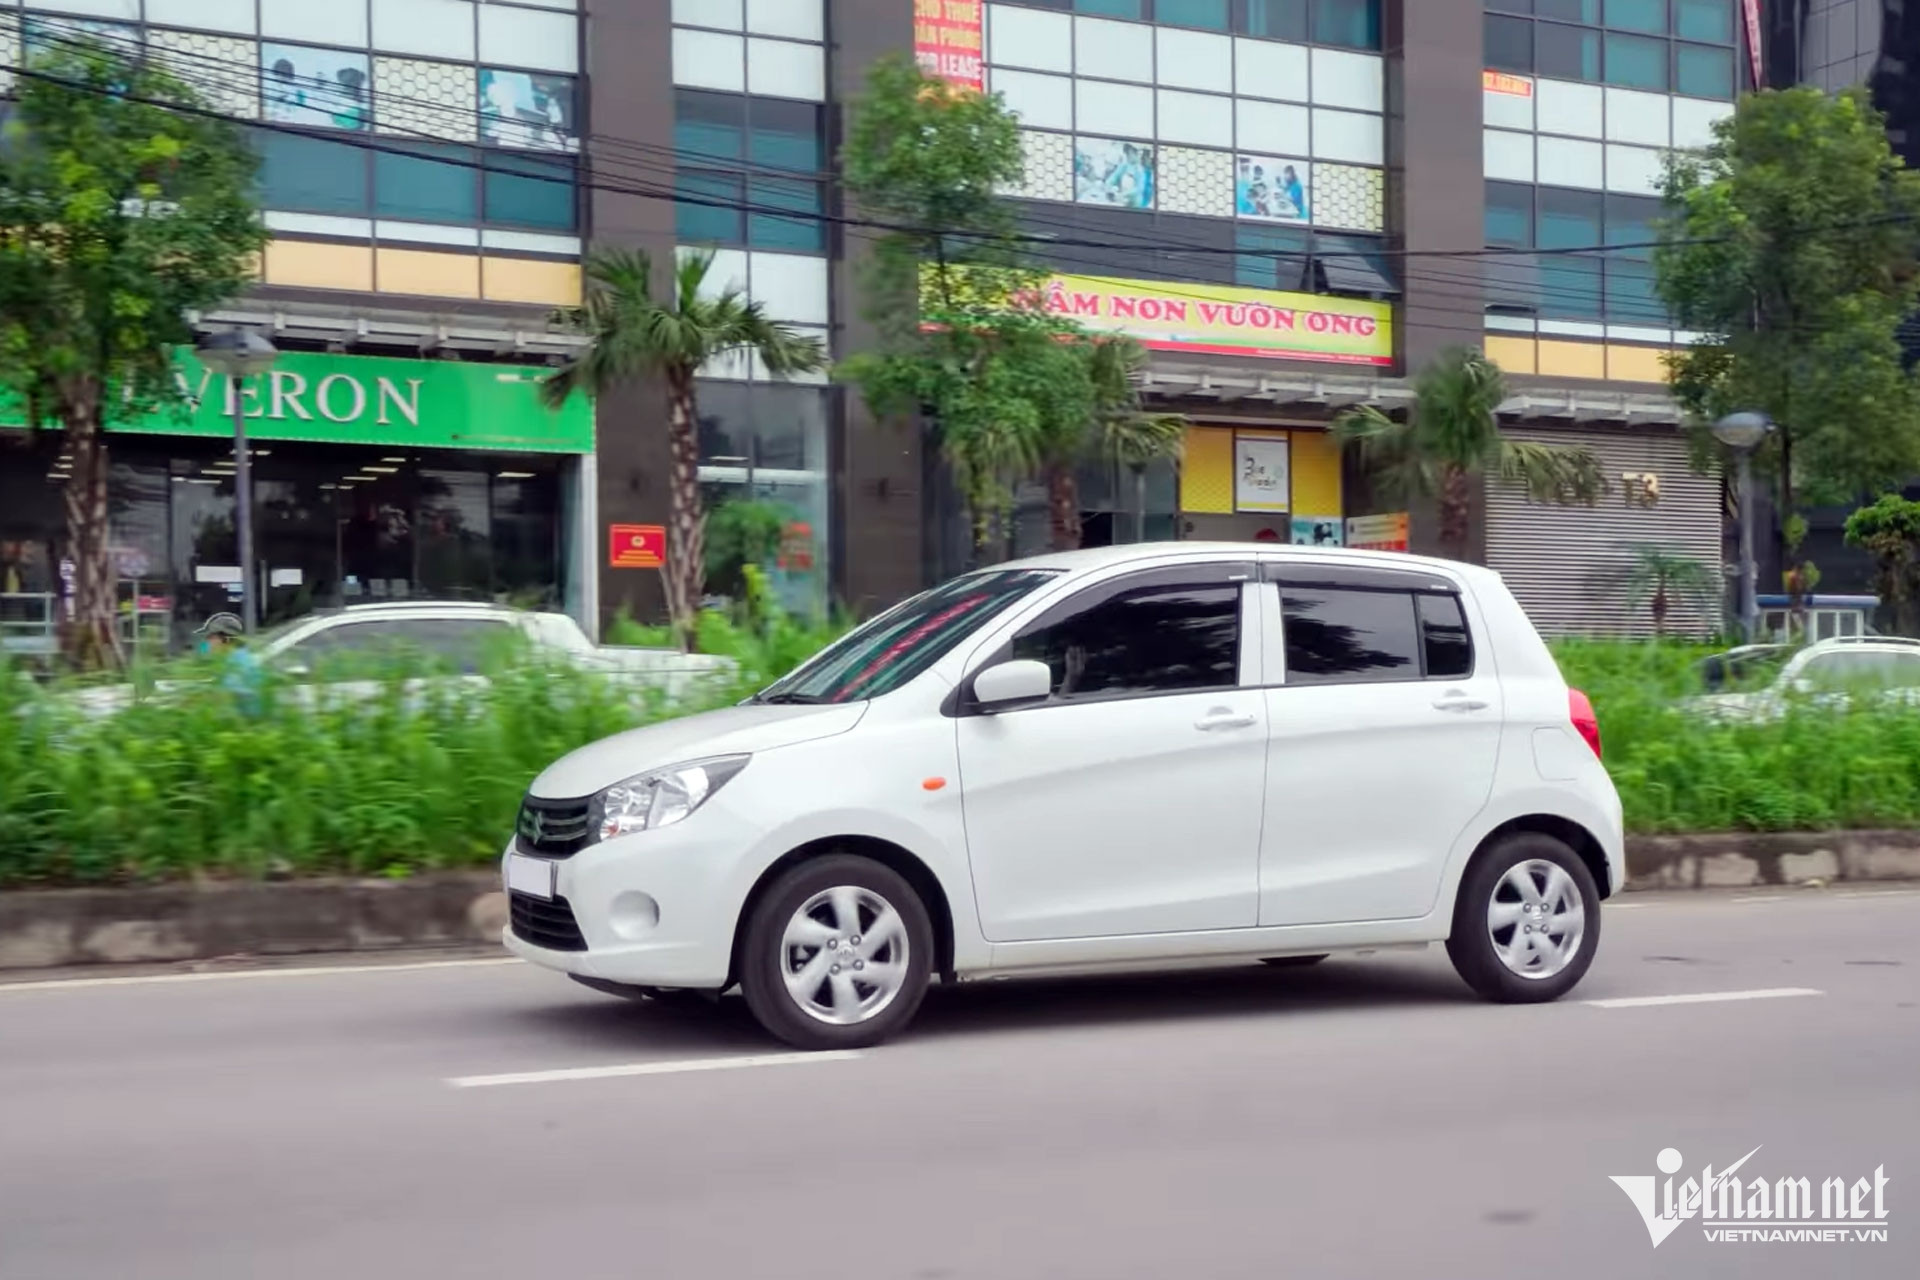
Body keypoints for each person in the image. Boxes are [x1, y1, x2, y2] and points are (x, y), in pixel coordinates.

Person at [195, 613, 265, 711]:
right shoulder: (233, 659)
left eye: (211, 638)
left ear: (226, 640)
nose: (207, 643)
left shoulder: (239, 662)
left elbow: (229, 696)